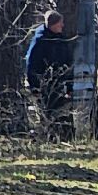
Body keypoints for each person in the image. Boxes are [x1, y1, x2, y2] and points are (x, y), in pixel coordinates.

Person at [24, 10, 76, 140]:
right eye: (60, 23)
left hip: (60, 85)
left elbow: (68, 65)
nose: (62, 26)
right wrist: (35, 87)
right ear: (53, 24)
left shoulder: (62, 41)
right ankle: (48, 138)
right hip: (45, 85)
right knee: (48, 113)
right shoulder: (40, 41)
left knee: (64, 113)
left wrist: (70, 86)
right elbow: (32, 65)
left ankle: (65, 138)